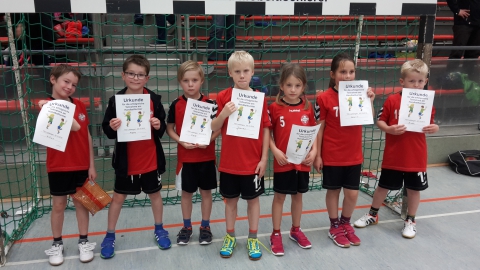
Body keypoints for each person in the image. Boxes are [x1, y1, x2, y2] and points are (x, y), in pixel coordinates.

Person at [353, 59, 439, 239]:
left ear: (425, 81)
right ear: (402, 82)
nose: (416, 85)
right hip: (394, 156)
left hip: (416, 156)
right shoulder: (392, 100)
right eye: (412, 81)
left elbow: (431, 124)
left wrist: (435, 128)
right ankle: (372, 214)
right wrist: (389, 129)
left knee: (414, 190)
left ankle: (411, 220)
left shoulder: (427, 102)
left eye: (420, 81)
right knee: (383, 187)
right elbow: (380, 120)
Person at [100, 55, 169, 259]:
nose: (135, 78)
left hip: (150, 159)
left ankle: (159, 228)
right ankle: (110, 235)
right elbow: (107, 129)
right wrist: (112, 127)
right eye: (131, 73)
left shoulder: (154, 100)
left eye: (140, 75)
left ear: (146, 78)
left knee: (155, 195)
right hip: (126, 162)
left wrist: (158, 125)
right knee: (118, 198)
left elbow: (162, 127)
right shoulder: (115, 101)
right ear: (123, 75)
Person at [211, 51, 271, 260]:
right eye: (237, 71)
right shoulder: (223, 97)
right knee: (231, 201)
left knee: (253, 201)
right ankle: (230, 236)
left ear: (252, 72)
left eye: (246, 71)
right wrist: (224, 113)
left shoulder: (259, 98)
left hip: (252, 163)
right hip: (229, 163)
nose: (242, 75)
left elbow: (265, 129)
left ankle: (253, 238)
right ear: (230, 73)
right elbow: (213, 126)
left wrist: (264, 159)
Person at [313, 53, 375, 248]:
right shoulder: (323, 98)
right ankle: (334, 227)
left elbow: (369, 118)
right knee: (333, 191)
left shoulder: (360, 93)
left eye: (351, 72)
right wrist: (318, 154)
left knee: (352, 194)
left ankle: (345, 223)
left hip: (353, 154)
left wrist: (370, 101)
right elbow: (319, 128)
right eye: (343, 72)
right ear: (333, 74)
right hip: (332, 154)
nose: (347, 76)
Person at [39, 64, 97, 266]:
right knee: (59, 205)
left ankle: (83, 240)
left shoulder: (79, 105)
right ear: (53, 79)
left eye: (74, 84)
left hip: (81, 164)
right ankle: (57, 244)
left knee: (82, 203)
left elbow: (84, 133)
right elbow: (69, 126)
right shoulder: (46, 106)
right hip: (58, 165)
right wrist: (47, 106)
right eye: (66, 81)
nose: (70, 87)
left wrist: (91, 164)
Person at [166, 60, 220, 245]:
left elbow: (219, 128)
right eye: (186, 80)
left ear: (202, 81)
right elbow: (169, 128)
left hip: (206, 157)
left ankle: (205, 226)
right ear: (180, 82)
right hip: (186, 158)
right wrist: (181, 140)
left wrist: (208, 140)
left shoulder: (211, 104)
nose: (190, 84)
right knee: (186, 194)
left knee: (206, 193)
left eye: (194, 80)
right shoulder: (176, 104)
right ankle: (187, 226)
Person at [268, 63, 317, 256]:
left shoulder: (308, 107)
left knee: (298, 196)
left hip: (302, 162)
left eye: (297, 86)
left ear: (303, 86)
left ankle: (295, 230)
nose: (293, 90)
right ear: (281, 85)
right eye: (289, 85)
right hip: (283, 162)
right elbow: (267, 133)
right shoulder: (274, 107)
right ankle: (276, 233)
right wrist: (275, 151)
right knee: (279, 197)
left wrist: (313, 152)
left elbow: (313, 132)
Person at [446, 0, 480, 73]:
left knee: (473, 55)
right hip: (463, 23)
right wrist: (457, 10)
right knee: (457, 53)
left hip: (477, 24)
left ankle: (468, 79)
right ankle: (450, 79)